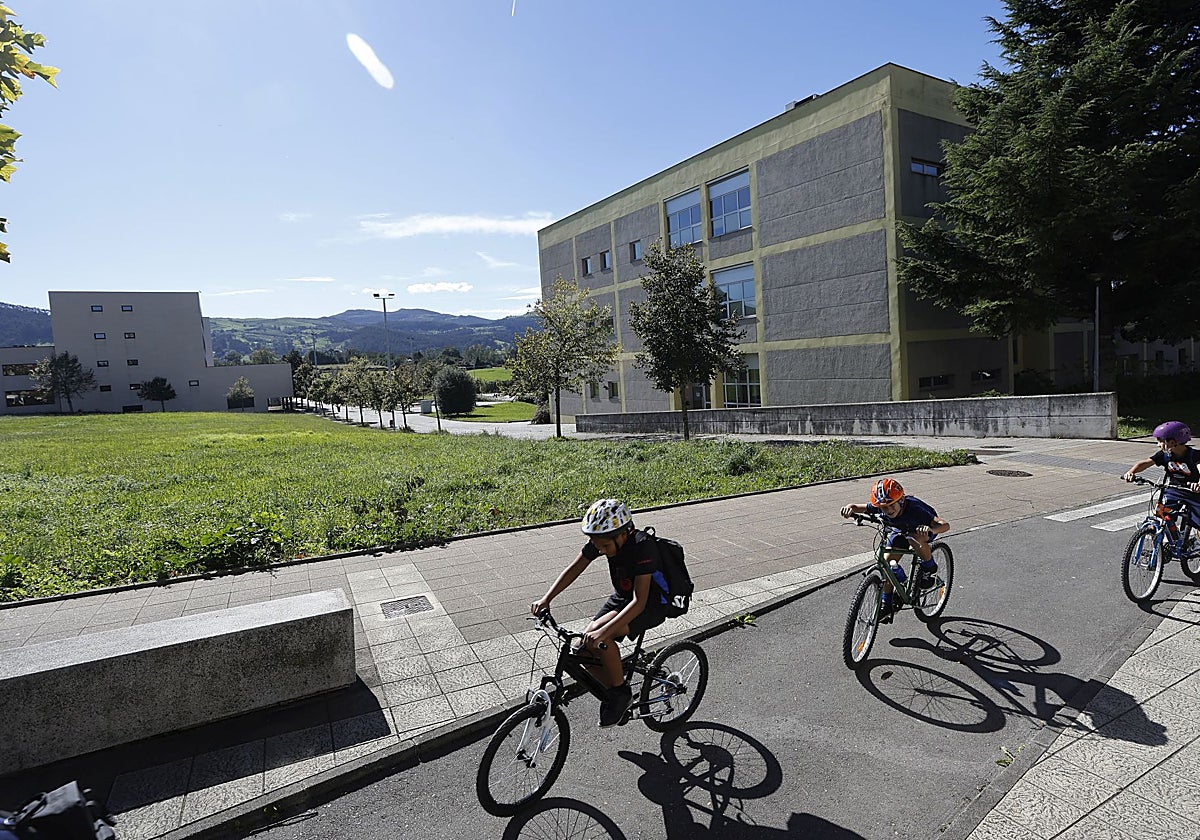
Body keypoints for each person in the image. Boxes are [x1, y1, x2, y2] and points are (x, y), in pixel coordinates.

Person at [531, 498, 668, 727]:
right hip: (624, 597)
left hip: (650, 603)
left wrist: (604, 631)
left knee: (599, 638)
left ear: (622, 534)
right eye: (597, 546)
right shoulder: (603, 540)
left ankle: (621, 694)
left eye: (605, 546)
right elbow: (575, 568)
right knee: (581, 648)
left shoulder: (643, 547)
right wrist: (547, 599)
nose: (601, 551)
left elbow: (639, 601)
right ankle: (615, 689)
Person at [839, 478, 950, 622]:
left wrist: (930, 529)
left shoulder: (915, 509)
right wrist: (849, 509)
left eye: (892, 505)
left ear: (901, 500)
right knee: (887, 564)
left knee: (913, 538)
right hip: (900, 531)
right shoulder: (882, 505)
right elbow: (856, 507)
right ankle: (887, 603)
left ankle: (929, 567)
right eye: (884, 507)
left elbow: (945, 525)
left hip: (921, 530)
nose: (888, 510)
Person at [1122, 420, 1200, 536]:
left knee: (1198, 524)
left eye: (1160, 441)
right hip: (1174, 490)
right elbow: (1145, 463)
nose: (1158, 444)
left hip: (1194, 492)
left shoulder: (1194, 455)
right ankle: (1162, 547)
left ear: (1173, 442)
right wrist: (1131, 472)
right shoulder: (1165, 455)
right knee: (1160, 516)